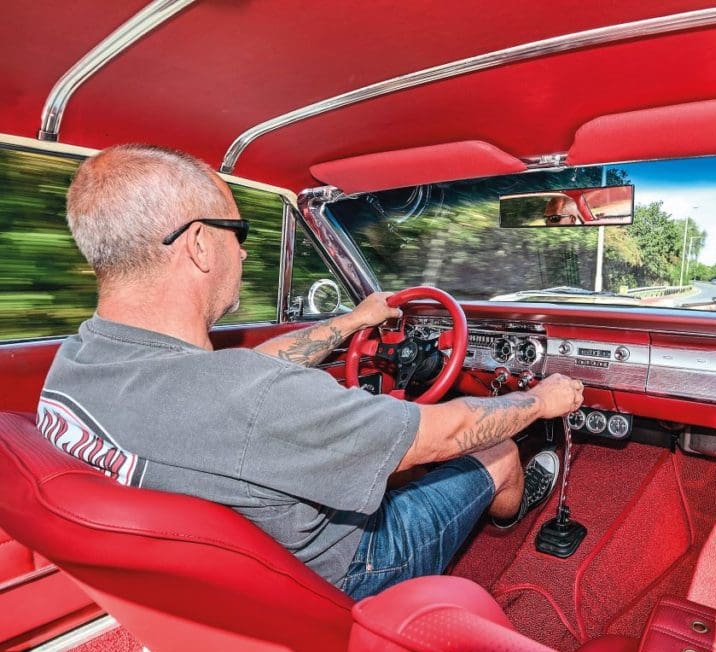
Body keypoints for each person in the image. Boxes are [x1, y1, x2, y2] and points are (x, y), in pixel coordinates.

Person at [36, 144, 584, 600]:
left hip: (234, 582)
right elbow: (447, 433)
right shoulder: (255, 401)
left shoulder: (82, 363)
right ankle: (510, 519)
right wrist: (542, 400)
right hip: (344, 572)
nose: (245, 256)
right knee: (497, 450)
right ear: (201, 243)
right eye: (239, 232)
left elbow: (248, 372)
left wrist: (355, 321)